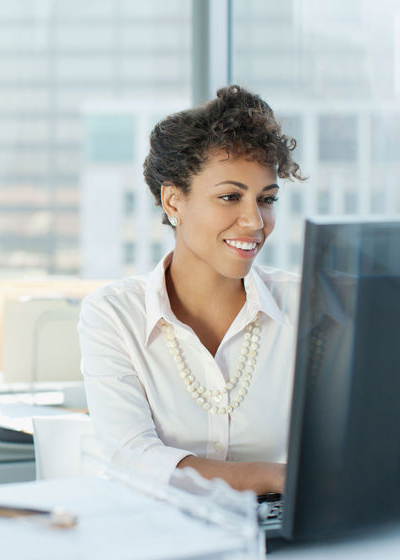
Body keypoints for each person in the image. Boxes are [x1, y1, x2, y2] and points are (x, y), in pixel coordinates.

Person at [78, 85, 305, 495]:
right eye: (230, 197)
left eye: (266, 199)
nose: (254, 221)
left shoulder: (307, 306)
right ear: (173, 201)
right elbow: (132, 458)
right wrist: (283, 478)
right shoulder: (114, 315)